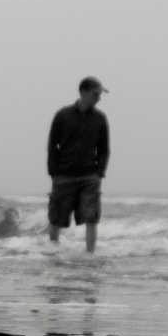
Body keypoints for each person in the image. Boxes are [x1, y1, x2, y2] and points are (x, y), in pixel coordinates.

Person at [46, 76, 110, 252]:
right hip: (63, 176)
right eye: (95, 94)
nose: (98, 98)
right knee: (56, 218)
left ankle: (90, 256)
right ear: (83, 92)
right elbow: (52, 145)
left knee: (91, 218)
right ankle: (53, 253)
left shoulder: (100, 118)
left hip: (90, 176)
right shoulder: (62, 115)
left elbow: (104, 148)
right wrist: (53, 172)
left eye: (99, 94)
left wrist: (100, 172)